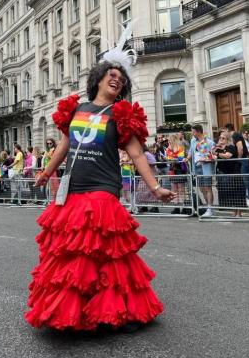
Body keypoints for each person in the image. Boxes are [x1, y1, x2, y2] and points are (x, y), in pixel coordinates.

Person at [25, 53, 176, 332]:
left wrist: (155, 187)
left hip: (103, 186)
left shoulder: (121, 114)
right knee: (74, 251)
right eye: (112, 75)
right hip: (74, 187)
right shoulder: (77, 108)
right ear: (99, 78)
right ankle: (73, 313)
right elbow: (64, 145)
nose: (116, 80)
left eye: (121, 79)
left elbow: (137, 154)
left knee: (107, 250)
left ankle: (116, 311)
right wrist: (47, 172)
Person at [214, 131, 245, 217]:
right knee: (230, 192)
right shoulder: (219, 148)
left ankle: (239, 212)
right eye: (220, 138)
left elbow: (228, 155)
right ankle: (234, 211)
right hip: (223, 171)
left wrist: (217, 153)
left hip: (233, 171)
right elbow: (212, 154)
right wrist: (216, 147)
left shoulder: (231, 146)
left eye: (223, 138)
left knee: (237, 192)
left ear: (227, 139)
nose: (221, 139)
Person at [188, 124, 215, 217]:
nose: (192, 134)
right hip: (197, 167)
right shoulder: (192, 141)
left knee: (208, 188)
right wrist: (186, 158)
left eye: (193, 132)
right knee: (202, 189)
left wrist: (206, 159)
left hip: (206, 167)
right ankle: (208, 207)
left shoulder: (209, 142)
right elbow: (190, 153)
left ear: (199, 132)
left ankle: (210, 208)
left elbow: (213, 155)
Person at [165, 133, 188, 213]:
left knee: (181, 189)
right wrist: (173, 158)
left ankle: (184, 206)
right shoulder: (168, 149)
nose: (168, 142)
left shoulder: (180, 147)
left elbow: (181, 157)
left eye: (169, 140)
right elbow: (168, 158)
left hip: (180, 169)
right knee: (174, 189)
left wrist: (173, 158)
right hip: (172, 169)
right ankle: (176, 207)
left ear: (173, 140)